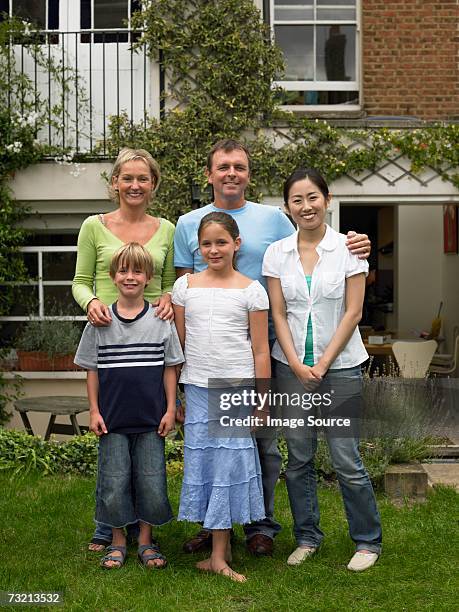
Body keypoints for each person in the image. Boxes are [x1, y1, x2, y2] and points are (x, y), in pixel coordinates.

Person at [174, 138, 372, 557]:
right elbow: (181, 292)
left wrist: (358, 244)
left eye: (239, 167)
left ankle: (260, 526)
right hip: (217, 356)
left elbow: (316, 246)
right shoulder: (187, 224)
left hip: (261, 352)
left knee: (262, 444)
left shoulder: (274, 222)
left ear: (248, 174)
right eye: (223, 166)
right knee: (216, 443)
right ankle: (215, 528)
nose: (231, 173)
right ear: (209, 174)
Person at [262, 167, 382, 571]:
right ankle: (307, 536)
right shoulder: (276, 253)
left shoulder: (350, 249)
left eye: (313, 197)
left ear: (327, 200)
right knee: (298, 458)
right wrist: (296, 362)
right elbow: (277, 312)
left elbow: (354, 312)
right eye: (297, 200)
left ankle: (367, 541)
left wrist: (323, 362)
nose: (306, 206)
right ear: (287, 207)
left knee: (346, 458)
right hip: (290, 369)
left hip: (342, 367)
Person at [72, 147, 177, 551]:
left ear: (153, 184)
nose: (135, 185)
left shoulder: (166, 229)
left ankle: (141, 528)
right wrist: (91, 302)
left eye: (143, 178)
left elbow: (167, 281)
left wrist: (167, 297)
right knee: (113, 443)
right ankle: (109, 526)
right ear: (114, 182)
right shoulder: (93, 227)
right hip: (108, 330)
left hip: (152, 336)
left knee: (146, 438)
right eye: (127, 178)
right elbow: (80, 280)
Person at [172, 212, 270, 582]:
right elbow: (178, 345)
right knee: (207, 467)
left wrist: (262, 401)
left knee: (229, 467)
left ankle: (217, 556)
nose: (214, 249)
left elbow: (260, 350)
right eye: (207, 243)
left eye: (221, 242)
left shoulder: (251, 289)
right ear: (198, 247)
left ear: (237, 244)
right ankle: (221, 548)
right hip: (196, 388)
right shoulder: (185, 287)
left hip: (236, 389)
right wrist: (176, 395)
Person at [74, 243, 184, 569]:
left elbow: (170, 369)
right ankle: (118, 540)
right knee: (114, 480)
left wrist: (169, 409)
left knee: (151, 480)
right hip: (112, 420)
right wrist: (94, 411)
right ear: (113, 276)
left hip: (152, 420)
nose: (130, 277)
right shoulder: (100, 322)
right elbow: (91, 370)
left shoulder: (161, 321)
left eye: (137, 271)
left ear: (148, 277)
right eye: (123, 271)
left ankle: (146, 541)